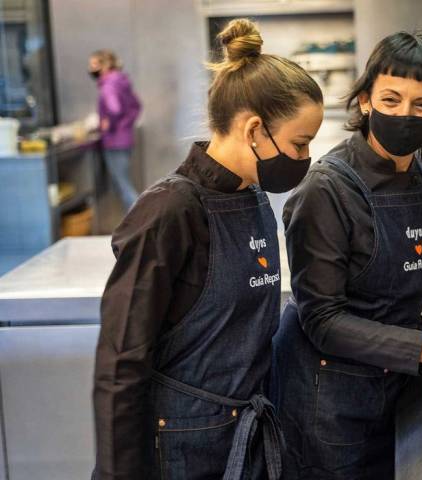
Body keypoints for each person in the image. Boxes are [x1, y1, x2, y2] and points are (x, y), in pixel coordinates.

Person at [271, 31, 422, 479]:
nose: (405, 114)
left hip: (392, 384)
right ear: (365, 101)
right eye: (391, 99)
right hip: (326, 396)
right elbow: (321, 319)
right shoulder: (326, 190)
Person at [92, 19, 323, 480]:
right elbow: (120, 362)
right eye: (300, 144)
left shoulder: (252, 195)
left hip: (241, 438)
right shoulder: (169, 211)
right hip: (179, 447)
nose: (304, 159)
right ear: (255, 129)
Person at [88, 49, 142, 211]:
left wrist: (108, 124)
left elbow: (115, 109)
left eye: (93, 65)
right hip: (125, 139)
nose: (91, 69)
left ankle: (140, 223)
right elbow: (137, 106)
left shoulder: (108, 84)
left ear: (105, 66)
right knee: (123, 182)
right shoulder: (121, 81)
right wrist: (126, 125)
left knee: (123, 185)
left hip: (114, 141)